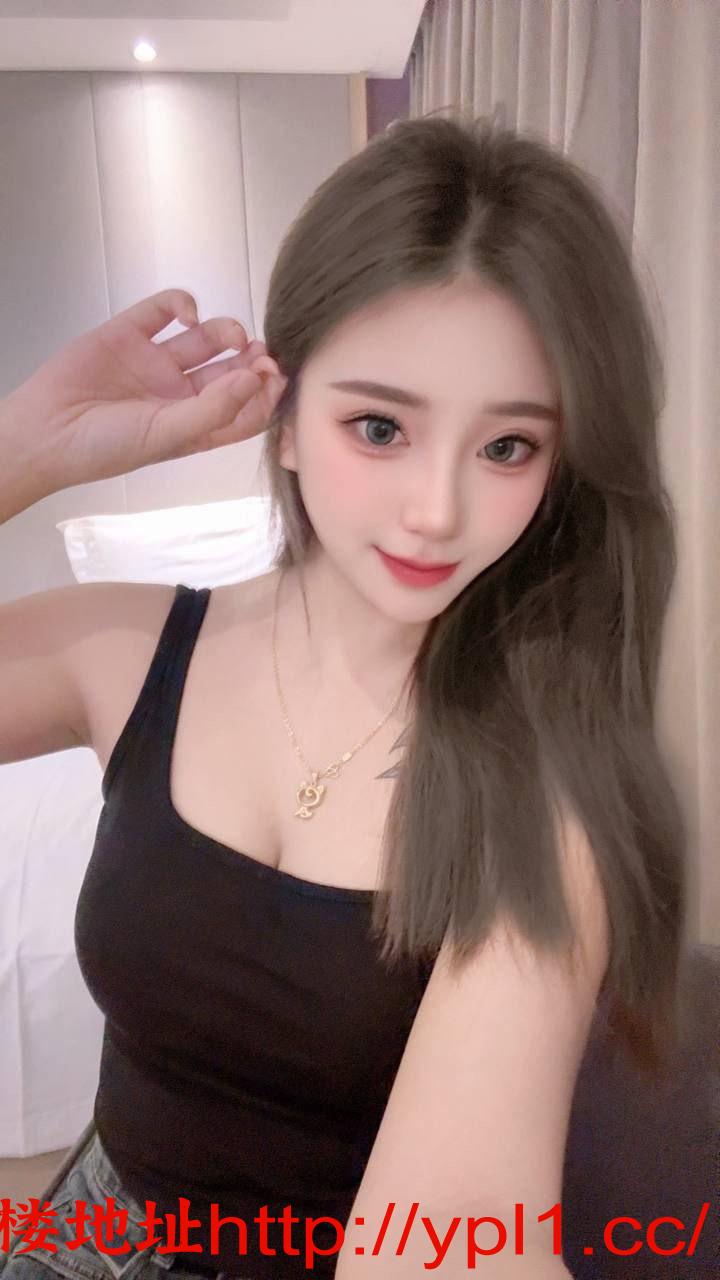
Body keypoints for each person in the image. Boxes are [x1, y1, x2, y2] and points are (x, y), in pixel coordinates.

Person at [0, 111, 688, 1280]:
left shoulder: (545, 787)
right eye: (379, 426)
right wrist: (24, 448)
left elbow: (453, 1235)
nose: (436, 510)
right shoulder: (129, 647)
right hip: (85, 1230)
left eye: (508, 448)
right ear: (283, 421)